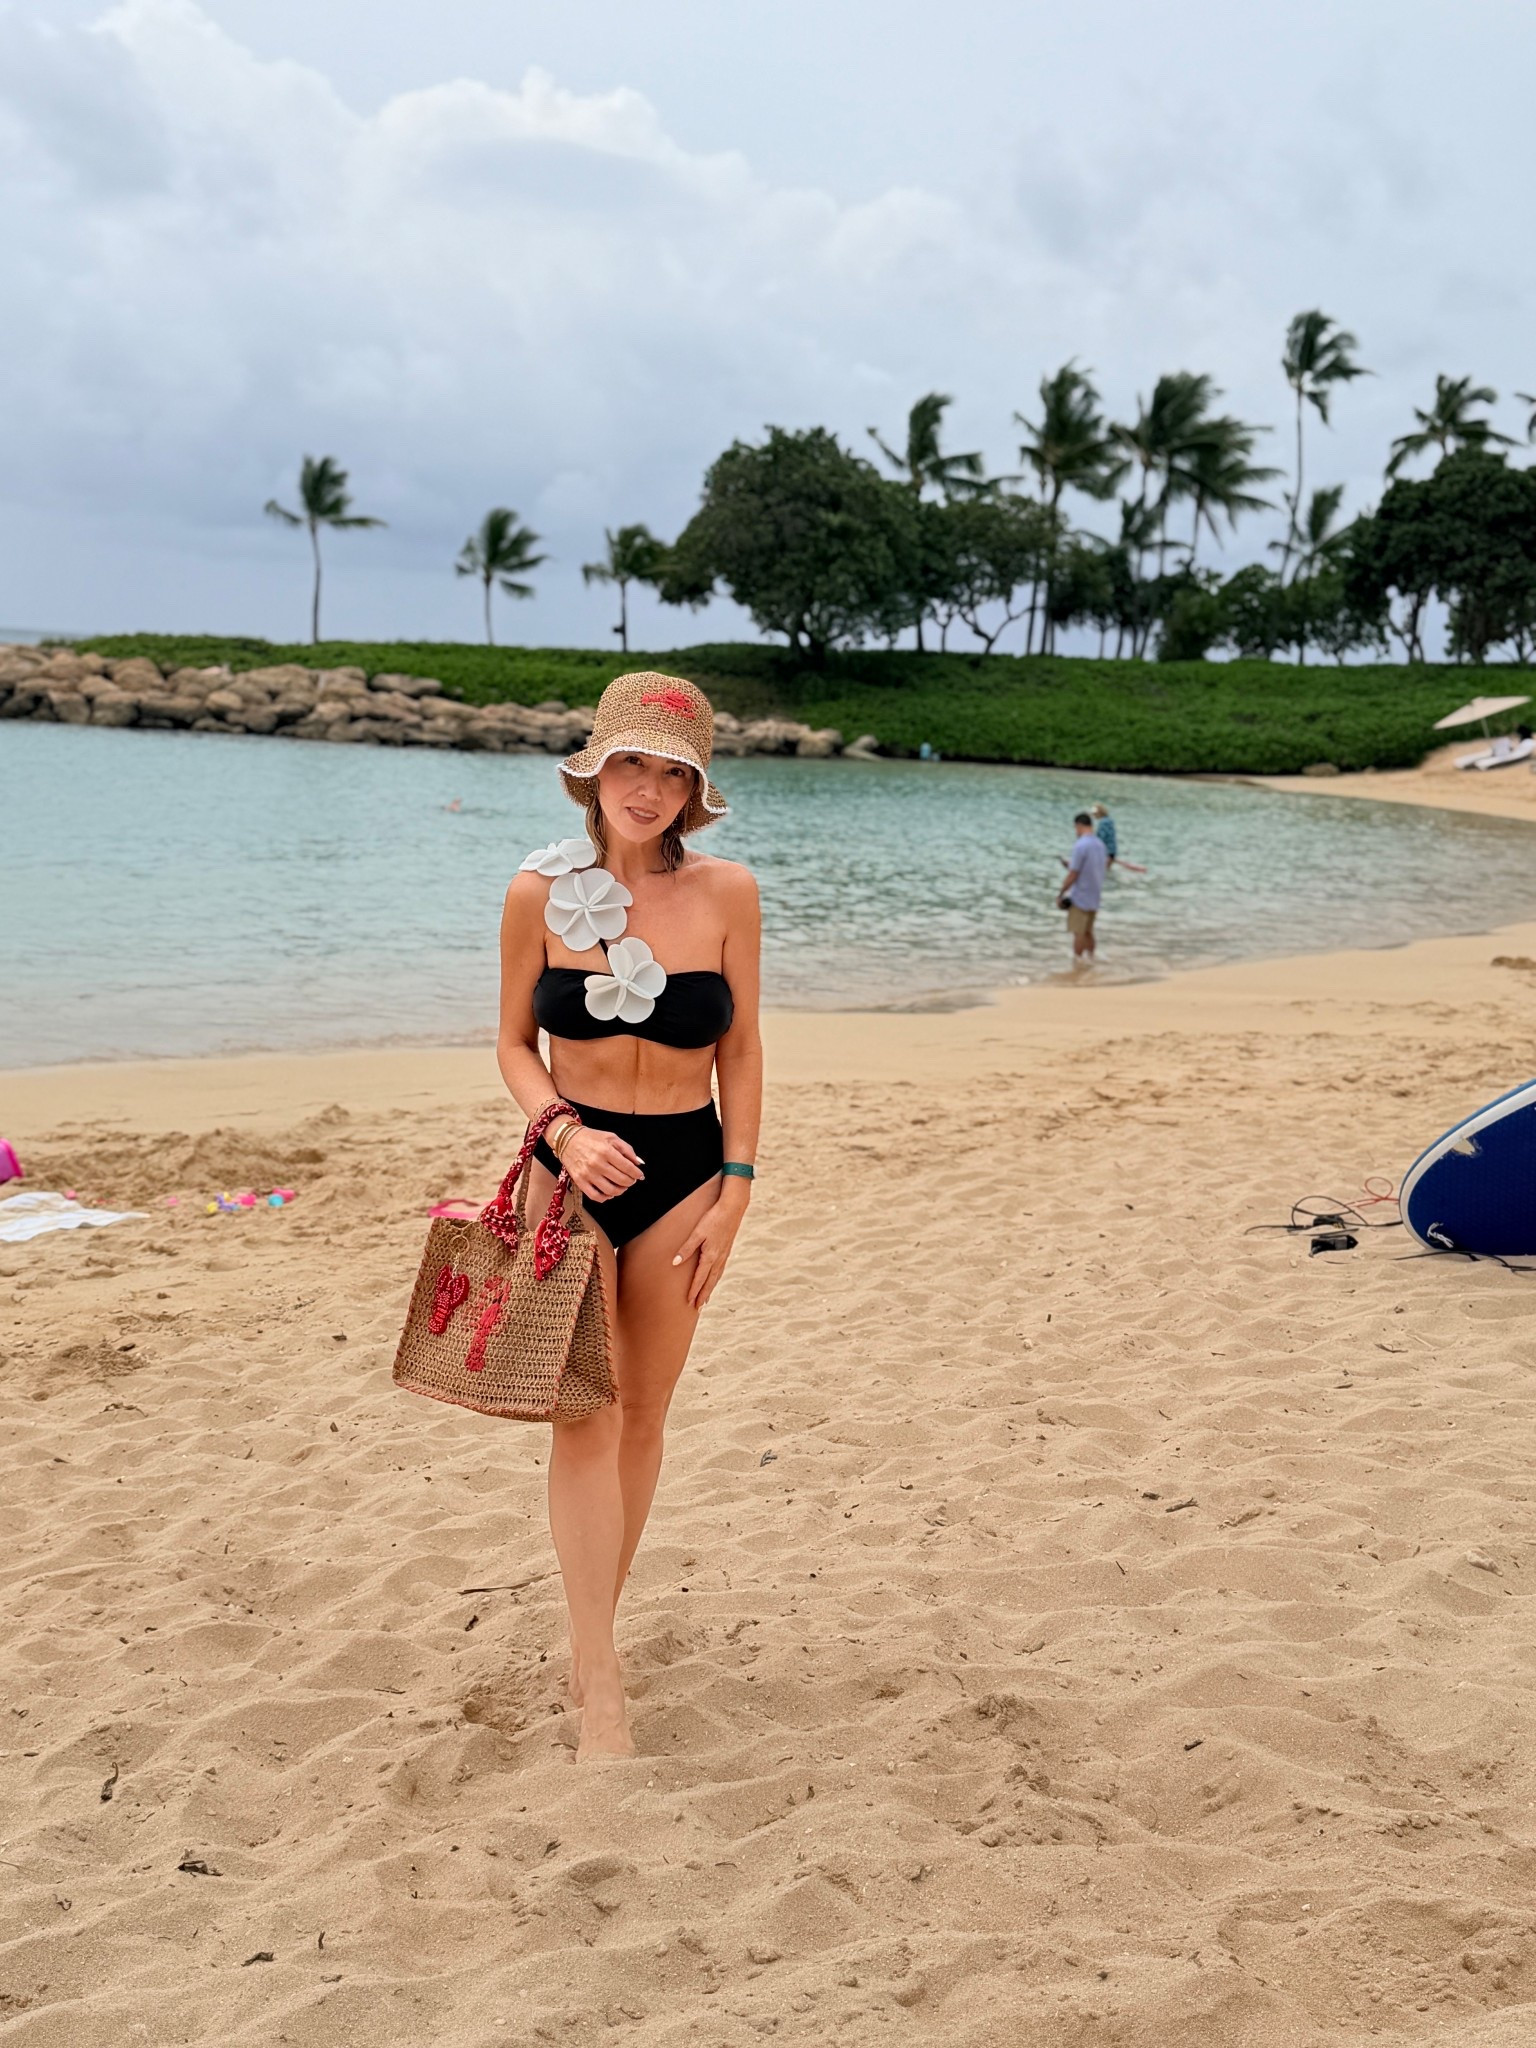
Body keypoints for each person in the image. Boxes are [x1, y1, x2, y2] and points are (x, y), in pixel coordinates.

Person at [497, 672, 762, 1760]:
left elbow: (743, 1049)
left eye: (671, 771)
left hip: (690, 1171)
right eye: (629, 763)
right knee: (585, 1414)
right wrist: (562, 1131)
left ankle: (591, 1635)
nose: (646, 788)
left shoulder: (730, 893)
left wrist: (735, 1192)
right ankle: (601, 1679)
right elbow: (511, 1042)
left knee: (645, 1413)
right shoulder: (535, 892)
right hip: (573, 1170)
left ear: (693, 790)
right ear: (594, 772)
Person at [1057, 809, 1109, 964]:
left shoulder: (1080, 845)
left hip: (1080, 896)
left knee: (1078, 932)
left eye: (1076, 828)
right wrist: (1071, 865)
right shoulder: (1100, 845)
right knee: (1088, 931)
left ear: (1079, 825)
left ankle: (1077, 962)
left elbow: (1073, 874)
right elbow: (1094, 868)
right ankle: (1091, 959)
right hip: (1095, 896)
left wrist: (1061, 892)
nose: (1076, 832)